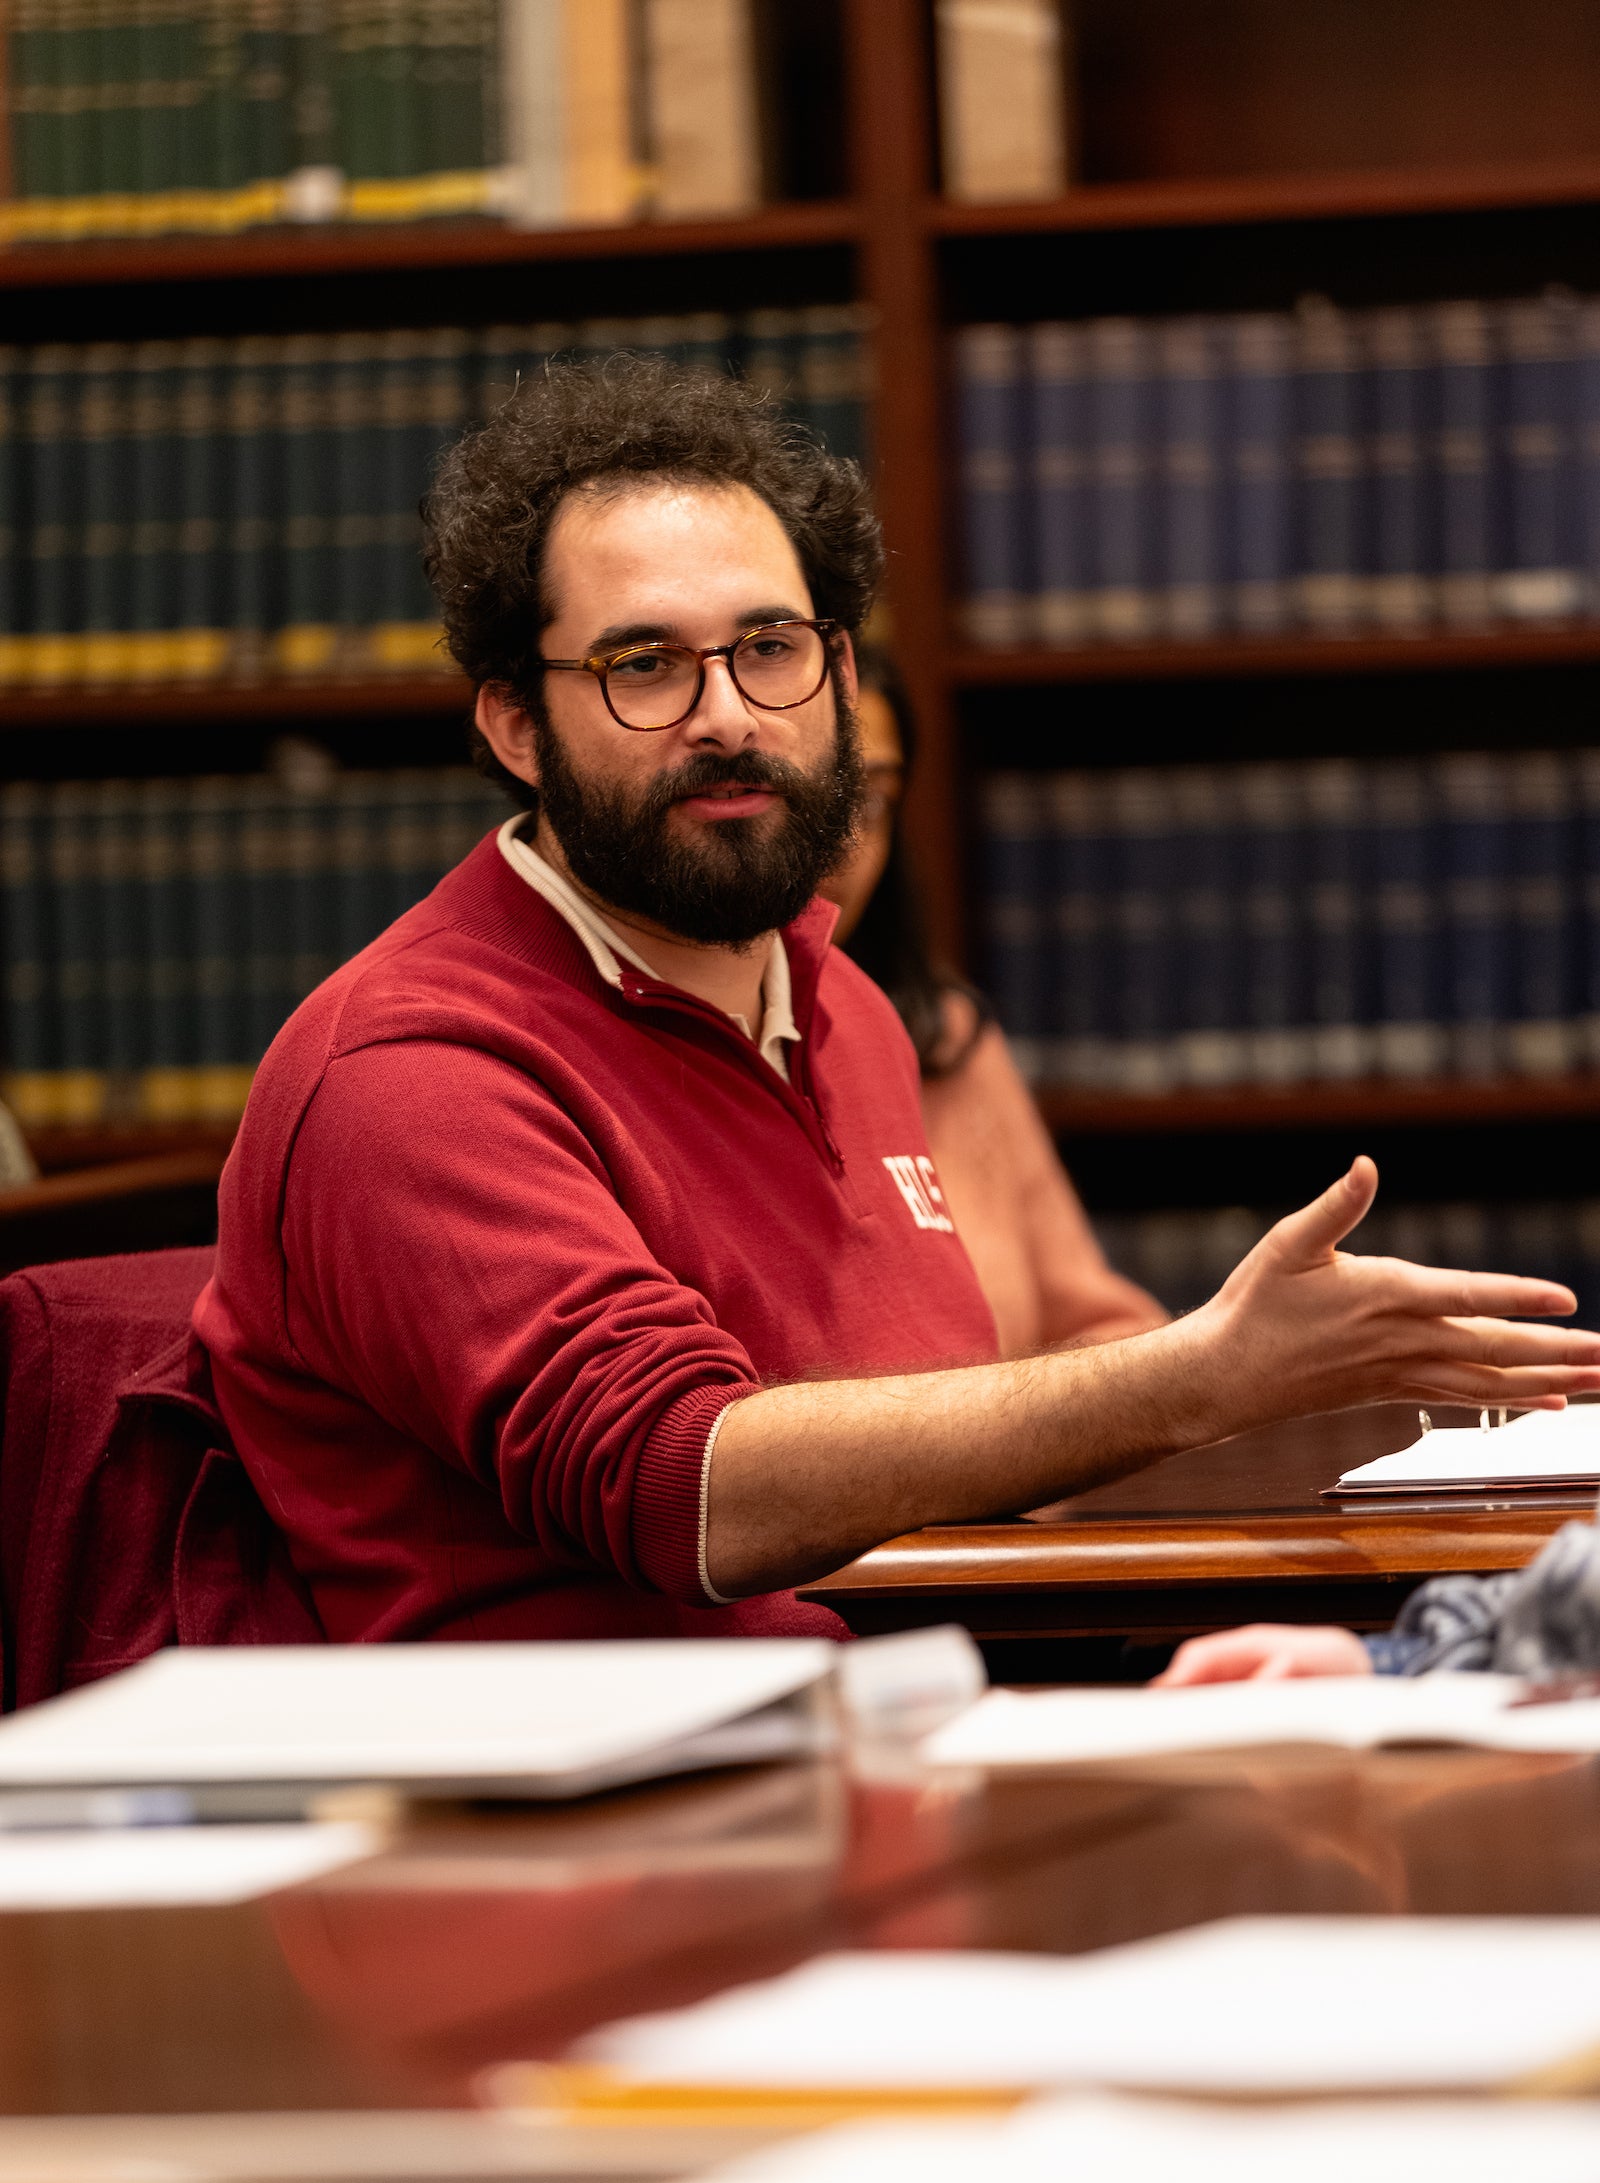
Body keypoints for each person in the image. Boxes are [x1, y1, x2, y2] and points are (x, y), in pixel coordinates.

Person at [193, 356, 1600, 1646]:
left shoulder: (844, 1004)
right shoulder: (407, 1067)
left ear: (842, 677)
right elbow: (684, 1489)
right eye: (643, 666)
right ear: (514, 724)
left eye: (772, 648)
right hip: (599, 1837)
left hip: (925, 1718)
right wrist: (1199, 1378)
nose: (729, 714)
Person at [820, 650, 1164, 1355]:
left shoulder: (946, 1036)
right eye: (799, 799)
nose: (836, 847)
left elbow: (1102, 1326)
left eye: (867, 801)